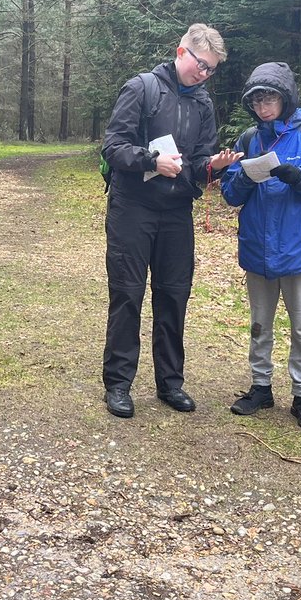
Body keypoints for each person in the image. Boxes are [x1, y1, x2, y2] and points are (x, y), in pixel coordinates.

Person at [100, 24, 240, 418]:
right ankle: (118, 384)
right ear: (182, 53)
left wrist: (213, 165)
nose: (204, 74)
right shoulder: (142, 88)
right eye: (201, 65)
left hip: (178, 212)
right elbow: (113, 146)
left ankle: (170, 384)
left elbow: (198, 161)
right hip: (133, 209)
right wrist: (150, 160)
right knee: (128, 293)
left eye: (212, 69)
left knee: (174, 295)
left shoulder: (203, 104)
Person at [219, 62, 301, 431]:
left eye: (270, 98)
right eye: (256, 100)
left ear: (286, 97)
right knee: (260, 324)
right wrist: (243, 178)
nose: (263, 107)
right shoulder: (248, 139)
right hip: (258, 247)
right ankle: (261, 388)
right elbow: (229, 194)